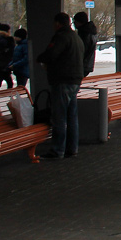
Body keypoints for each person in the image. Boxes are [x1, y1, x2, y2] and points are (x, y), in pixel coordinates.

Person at [37, 12, 84, 159]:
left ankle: (57, 150)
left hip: (62, 80)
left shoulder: (61, 37)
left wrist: (41, 59)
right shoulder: (76, 37)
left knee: (59, 117)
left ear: (57, 23)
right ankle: (72, 148)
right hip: (75, 80)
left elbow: (51, 55)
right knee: (72, 117)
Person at [73, 11, 98, 77]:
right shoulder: (91, 32)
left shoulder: (84, 34)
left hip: (81, 65)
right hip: (87, 65)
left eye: (75, 21)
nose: (74, 23)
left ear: (79, 21)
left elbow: (81, 50)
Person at [0, 23, 15, 91]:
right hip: (3, 65)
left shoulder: (0, 39)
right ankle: (9, 98)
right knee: (9, 83)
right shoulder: (7, 40)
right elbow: (9, 53)